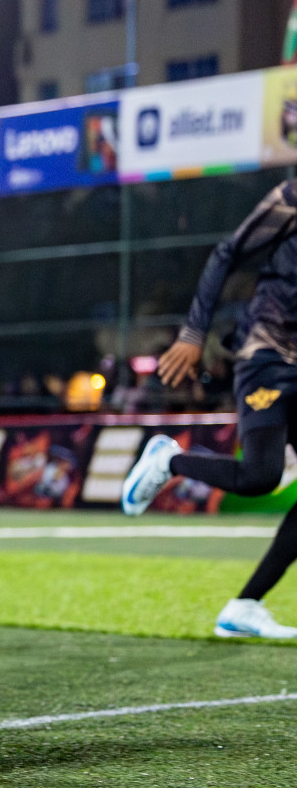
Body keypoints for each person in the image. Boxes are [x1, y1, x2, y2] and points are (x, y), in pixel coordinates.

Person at [123, 179, 297, 638]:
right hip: (269, 355)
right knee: (261, 477)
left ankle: (244, 607)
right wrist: (194, 334)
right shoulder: (293, 198)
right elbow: (227, 253)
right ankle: (168, 460)